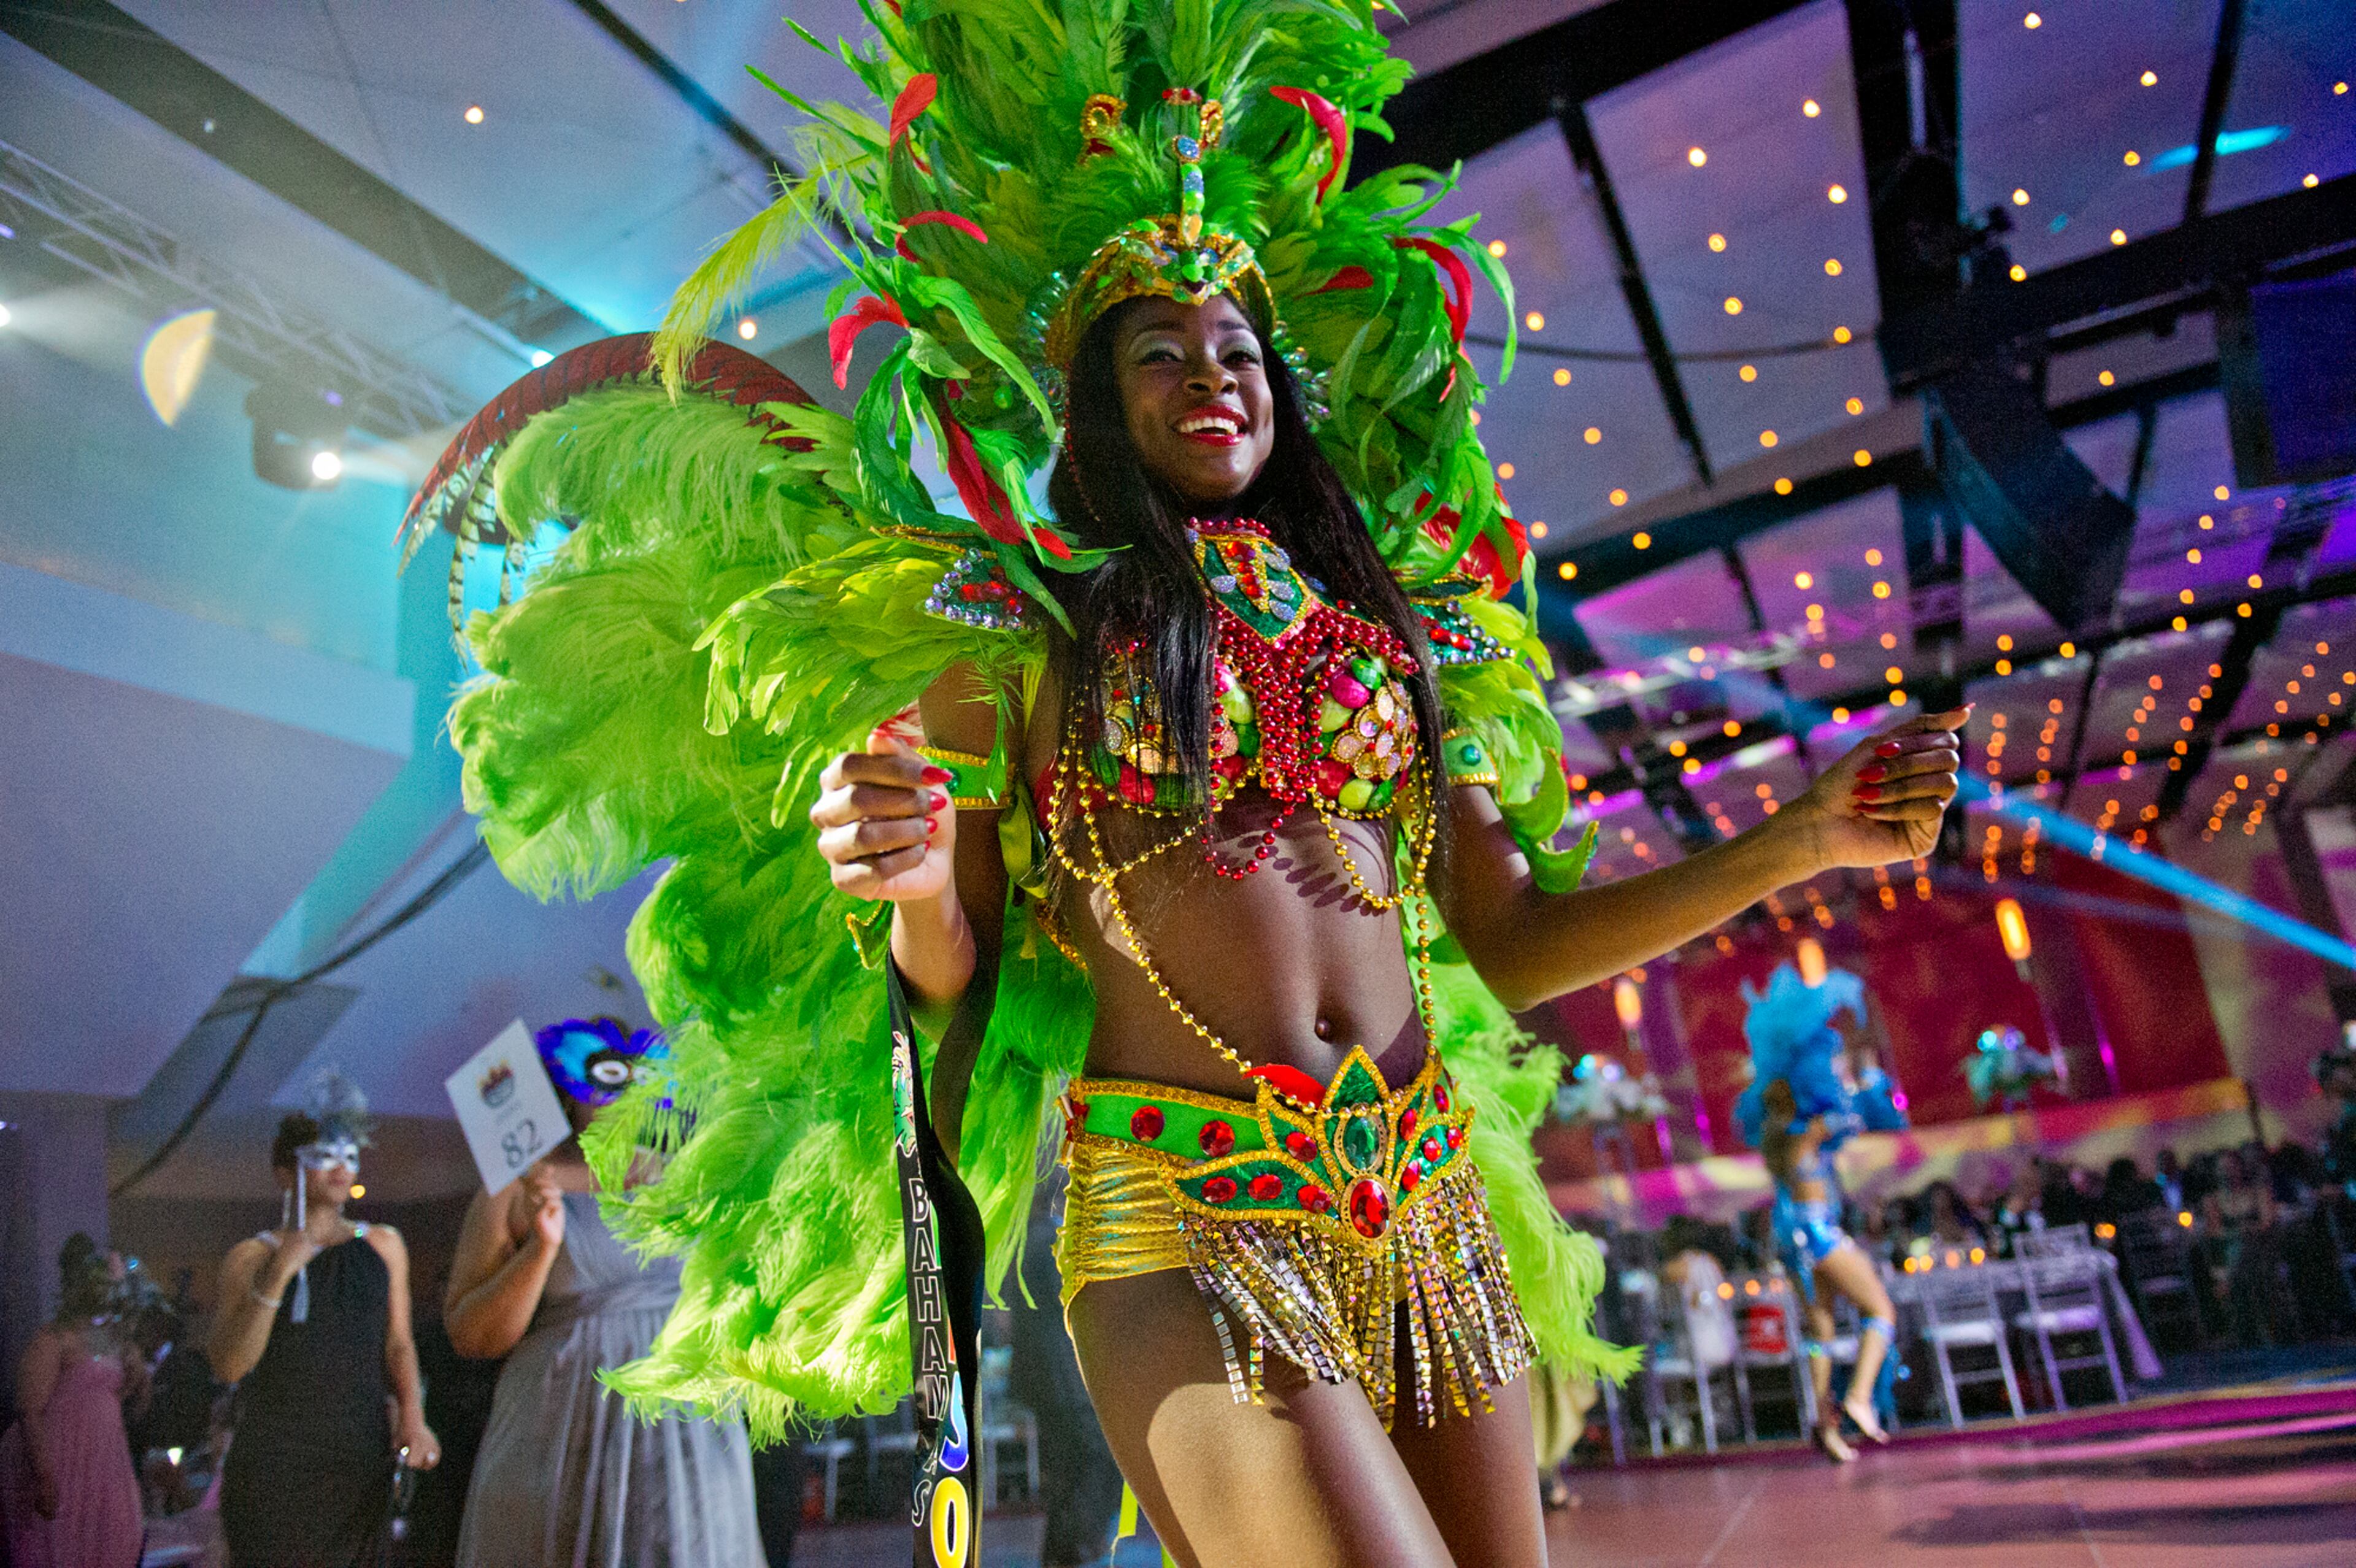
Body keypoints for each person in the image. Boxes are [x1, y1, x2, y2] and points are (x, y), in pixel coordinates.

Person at [402, 8, 1964, 1560]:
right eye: (1159, 353)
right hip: (1186, 1226)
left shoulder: (1390, 626)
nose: (1211, 376)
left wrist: (1796, 842)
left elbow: (1508, 933)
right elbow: (964, 973)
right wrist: (915, 876)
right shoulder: (1016, 633)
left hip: (1424, 1208)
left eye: (1236, 349)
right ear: (1098, 401)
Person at [444, 1019, 766, 1568]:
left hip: (685, 1433)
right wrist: (540, 1251)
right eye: (600, 1076)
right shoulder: (517, 1185)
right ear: (567, 1091)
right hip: (560, 1425)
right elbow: (470, 1336)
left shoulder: (697, 1180)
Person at [207, 1078, 437, 1567]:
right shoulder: (250, 1257)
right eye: (324, 1153)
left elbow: (399, 1344)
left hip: (359, 1456)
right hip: (276, 1463)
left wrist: (414, 1420)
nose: (341, 1165)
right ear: (285, 1173)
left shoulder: (383, 1245)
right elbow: (230, 1365)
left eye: (349, 1153)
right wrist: (278, 1275)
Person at [1734, 964, 1906, 1464]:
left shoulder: (1773, 1136)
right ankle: (1857, 1398)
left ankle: (1822, 1425)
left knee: (1821, 1335)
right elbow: (1866, 1116)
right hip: (1818, 1232)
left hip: (1793, 1239)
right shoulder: (1806, 1132)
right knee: (1881, 1312)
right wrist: (1863, 1072)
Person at [1, 1234, 147, 1568]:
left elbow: (126, 1401)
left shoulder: (113, 1339)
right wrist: (44, 1473)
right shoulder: (54, 1338)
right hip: (66, 1455)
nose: (108, 1294)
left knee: (116, 1536)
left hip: (107, 1456)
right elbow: (31, 1409)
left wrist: (135, 1369)